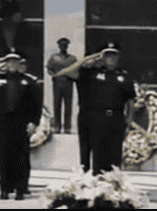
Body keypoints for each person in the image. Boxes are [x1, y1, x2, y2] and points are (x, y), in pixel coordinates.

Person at [54, 42, 136, 175]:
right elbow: (64, 72)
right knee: (99, 155)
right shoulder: (92, 74)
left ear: (118, 57)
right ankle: (99, 183)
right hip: (98, 118)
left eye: (114, 56)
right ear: (103, 58)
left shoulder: (124, 76)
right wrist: (86, 60)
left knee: (115, 153)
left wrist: (129, 121)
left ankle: (114, 184)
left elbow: (130, 101)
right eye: (108, 55)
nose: (111, 59)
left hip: (116, 118)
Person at [0, 51, 42, 201]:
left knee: (21, 157)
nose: (12, 65)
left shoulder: (28, 81)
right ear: (6, 64)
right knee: (5, 156)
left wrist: (34, 122)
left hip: (21, 123)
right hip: (4, 123)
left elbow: (36, 105)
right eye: (9, 62)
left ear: (19, 63)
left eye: (15, 62)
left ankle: (20, 189)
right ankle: (5, 189)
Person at [46, 37, 78, 134]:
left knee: (68, 106)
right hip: (58, 83)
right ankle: (57, 126)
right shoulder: (54, 58)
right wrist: (54, 74)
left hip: (68, 83)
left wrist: (71, 75)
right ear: (59, 46)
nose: (63, 47)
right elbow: (49, 69)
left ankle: (67, 127)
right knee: (57, 105)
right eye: (62, 45)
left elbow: (76, 70)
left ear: (67, 46)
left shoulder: (72, 58)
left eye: (65, 45)